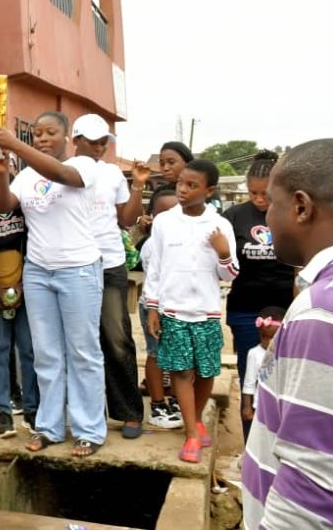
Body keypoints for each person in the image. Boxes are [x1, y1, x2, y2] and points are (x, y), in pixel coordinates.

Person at [0, 111, 106, 457]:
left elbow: (61, 175)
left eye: (50, 133)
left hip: (78, 269)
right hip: (38, 272)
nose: (41, 138)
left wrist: (15, 146)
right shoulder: (25, 176)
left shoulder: (83, 165)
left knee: (83, 352)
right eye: (37, 133)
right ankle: (50, 427)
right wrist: (2, 174)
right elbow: (3, 206)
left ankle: (88, 430)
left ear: (67, 137)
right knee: (46, 354)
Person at [242, 138, 333, 529]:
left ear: (301, 207)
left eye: (272, 202)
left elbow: (317, 485)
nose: (266, 217)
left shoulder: (323, 312)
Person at [145, 159, 238, 463]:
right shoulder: (164, 222)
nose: (182, 190)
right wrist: (153, 307)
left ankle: (195, 419)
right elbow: (155, 268)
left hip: (207, 312)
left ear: (209, 191)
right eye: (180, 183)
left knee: (206, 371)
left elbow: (230, 275)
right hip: (173, 311)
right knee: (181, 371)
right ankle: (191, 434)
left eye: (191, 185)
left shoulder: (220, 225)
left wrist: (223, 253)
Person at [71, 113, 147, 439]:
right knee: (79, 343)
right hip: (73, 264)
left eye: (104, 141)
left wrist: (138, 186)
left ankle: (129, 411)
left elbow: (126, 219)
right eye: (93, 141)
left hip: (109, 264)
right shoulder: (63, 172)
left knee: (116, 337)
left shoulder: (113, 173)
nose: (100, 147)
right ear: (76, 140)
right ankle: (87, 414)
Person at [222, 151, 296, 440]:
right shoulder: (234, 217)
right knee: (249, 375)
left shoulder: (292, 213)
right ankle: (251, 441)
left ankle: (281, 439)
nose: (259, 199)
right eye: (252, 193)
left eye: (265, 193)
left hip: (285, 309)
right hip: (245, 310)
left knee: (285, 375)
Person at [0, 126, 39, 437]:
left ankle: (32, 409)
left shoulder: (23, 185)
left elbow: (34, 235)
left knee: (28, 349)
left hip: (26, 278)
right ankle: (3, 411)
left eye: (3, 146)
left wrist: (26, 282)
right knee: (1, 349)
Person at [135, 187, 184, 429]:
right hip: (156, 307)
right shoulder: (151, 244)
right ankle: (157, 404)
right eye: (163, 212)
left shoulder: (184, 239)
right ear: (152, 215)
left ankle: (175, 400)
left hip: (179, 307)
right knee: (156, 354)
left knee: (177, 356)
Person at [239, 306, 285, 435]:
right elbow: (249, 383)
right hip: (260, 407)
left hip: (281, 408)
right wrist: (247, 407)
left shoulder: (286, 354)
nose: (268, 342)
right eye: (264, 336)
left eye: (273, 338)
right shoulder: (254, 353)